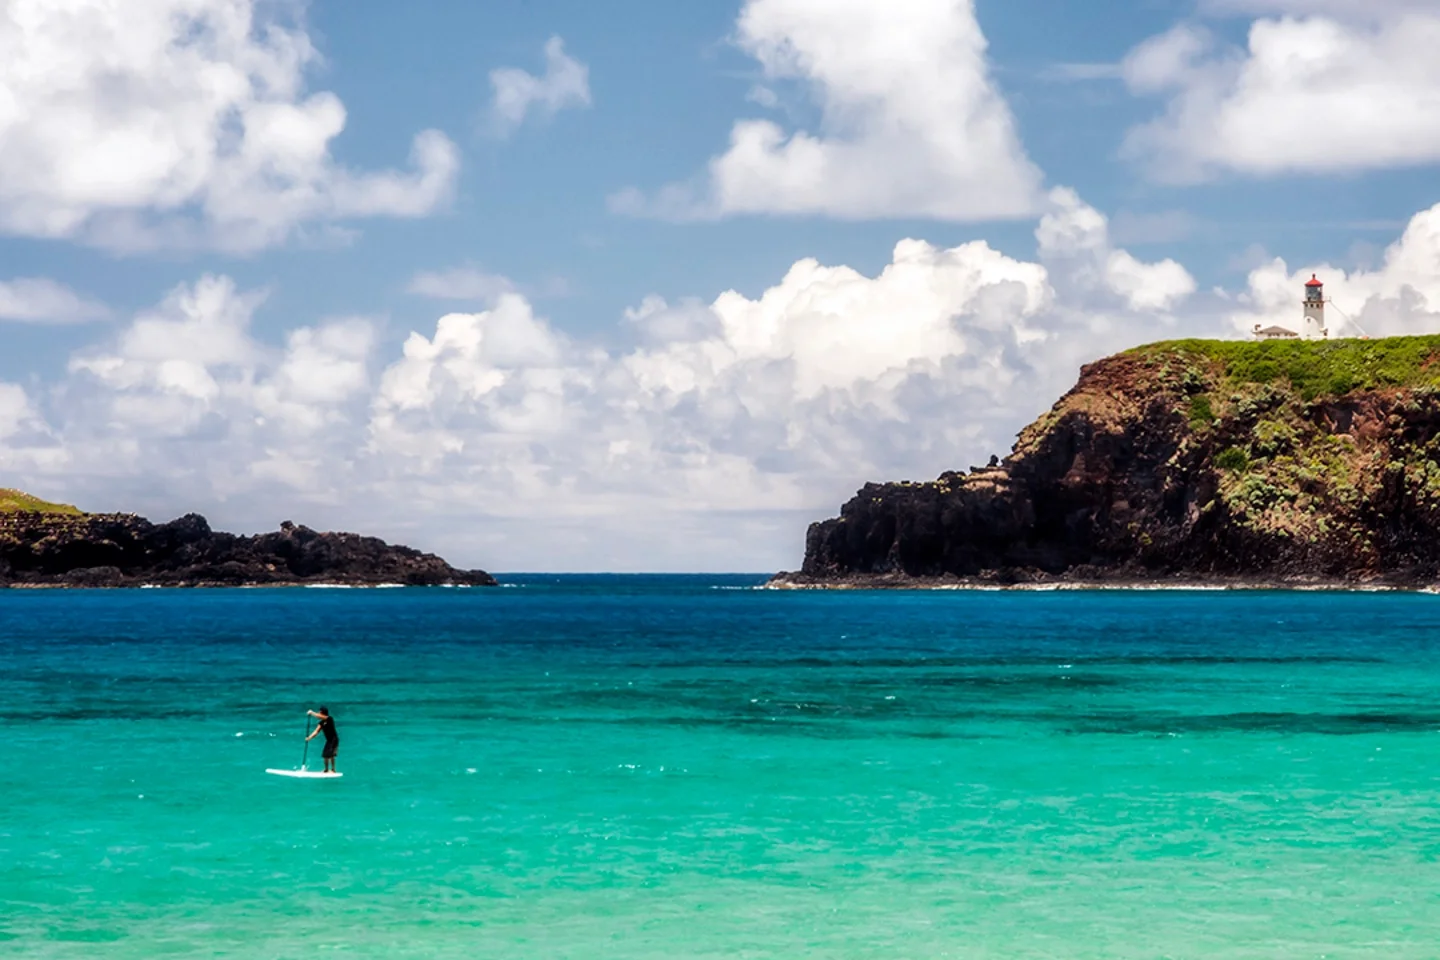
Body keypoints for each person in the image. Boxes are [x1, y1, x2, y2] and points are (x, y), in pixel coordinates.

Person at [306, 706, 340, 773]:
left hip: (334, 739)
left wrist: (312, 713)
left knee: (331, 755)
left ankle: (333, 769)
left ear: (322, 713)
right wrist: (309, 737)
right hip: (328, 740)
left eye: (320, 712)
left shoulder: (329, 719)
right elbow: (316, 731)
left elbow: (319, 716)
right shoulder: (321, 723)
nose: (319, 713)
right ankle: (326, 769)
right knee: (325, 755)